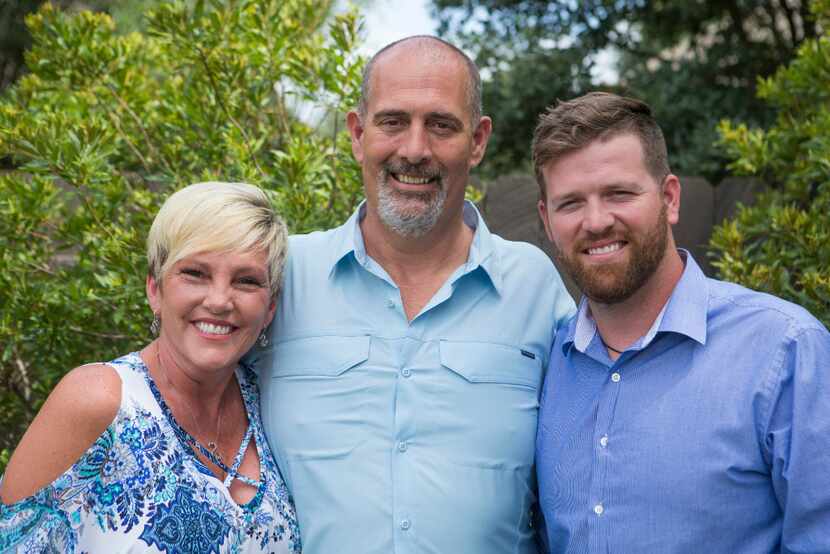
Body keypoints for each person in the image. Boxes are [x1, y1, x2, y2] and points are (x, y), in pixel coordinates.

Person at [253, 36, 575, 553]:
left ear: (477, 140)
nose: (414, 149)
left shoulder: (533, 286)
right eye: (393, 121)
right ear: (358, 133)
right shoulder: (283, 276)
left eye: (441, 124)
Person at [533, 92, 830, 553]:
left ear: (669, 199)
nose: (595, 221)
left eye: (619, 193)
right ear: (547, 222)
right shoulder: (548, 363)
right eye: (570, 203)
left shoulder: (785, 350)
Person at [0, 182, 301, 553]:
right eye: (195, 273)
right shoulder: (100, 401)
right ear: (154, 290)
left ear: (270, 307)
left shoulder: (271, 404)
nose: (220, 300)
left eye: (246, 281)